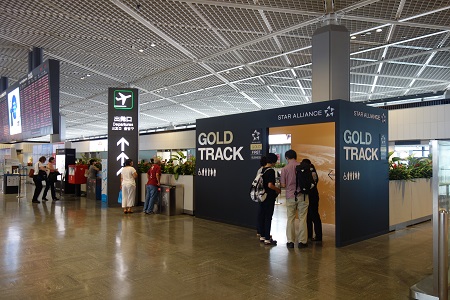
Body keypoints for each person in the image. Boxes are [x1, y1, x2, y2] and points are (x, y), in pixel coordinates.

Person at [280, 150, 309, 249]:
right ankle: (302, 242)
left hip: (290, 196)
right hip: (303, 196)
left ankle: (290, 241)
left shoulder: (285, 169)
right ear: (295, 157)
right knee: (302, 218)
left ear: (287, 157)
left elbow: (283, 184)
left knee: (290, 219)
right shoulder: (303, 166)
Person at [258, 153, 281, 246]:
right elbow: (270, 185)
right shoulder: (271, 171)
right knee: (268, 217)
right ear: (273, 161)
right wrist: (278, 190)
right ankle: (267, 238)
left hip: (261, 196)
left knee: (262, 216)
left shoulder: (262, 170)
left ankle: (262, 236)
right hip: (269, 197)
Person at [304, 159, 322, 242]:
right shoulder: (312, 172)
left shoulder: (311, 172)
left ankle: (318, 235)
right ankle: (310, 234)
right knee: (309, 216)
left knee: (314, 215)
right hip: (312, 196)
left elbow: (313, 183)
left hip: (312, 196)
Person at [256, 156, 268, 241]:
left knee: (261, 213)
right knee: (265, 215)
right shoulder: (267, 170)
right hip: (265, 195)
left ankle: (260, 231)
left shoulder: (259, 170)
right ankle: (264, 234)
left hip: (259, 194)